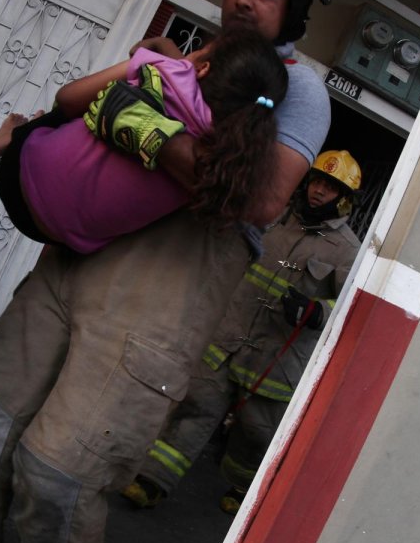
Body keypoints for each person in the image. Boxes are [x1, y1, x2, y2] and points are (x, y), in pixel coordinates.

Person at [0, 0, 334, 543]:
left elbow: (260, 200)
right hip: (76, 256)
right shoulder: (190, 60)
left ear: (297, 6)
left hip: (167, 283)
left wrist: (141, 125)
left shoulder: (297, 91)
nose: (244, 0)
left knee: (60, 471)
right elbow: (74, 102)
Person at [120, 151, 363, 514]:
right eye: (317, 181)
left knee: (256, 433)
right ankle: (151, 480)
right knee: (194, 406)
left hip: (275, 360)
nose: (318, 191)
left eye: (330, 187)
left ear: (344, 198)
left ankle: (243, 487)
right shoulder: (276, 216)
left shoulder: (348, 252)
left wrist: (317, 312)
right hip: (229, 339)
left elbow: (351, 310)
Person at [0, 28, 287, 254]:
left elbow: (67, 98)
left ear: (204, 67)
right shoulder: (227, 160)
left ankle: (12, 139)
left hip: (19, 171)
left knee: (84, 106)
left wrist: (166, 56)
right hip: (62, 236)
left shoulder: (168, 68)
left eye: (199, 51)